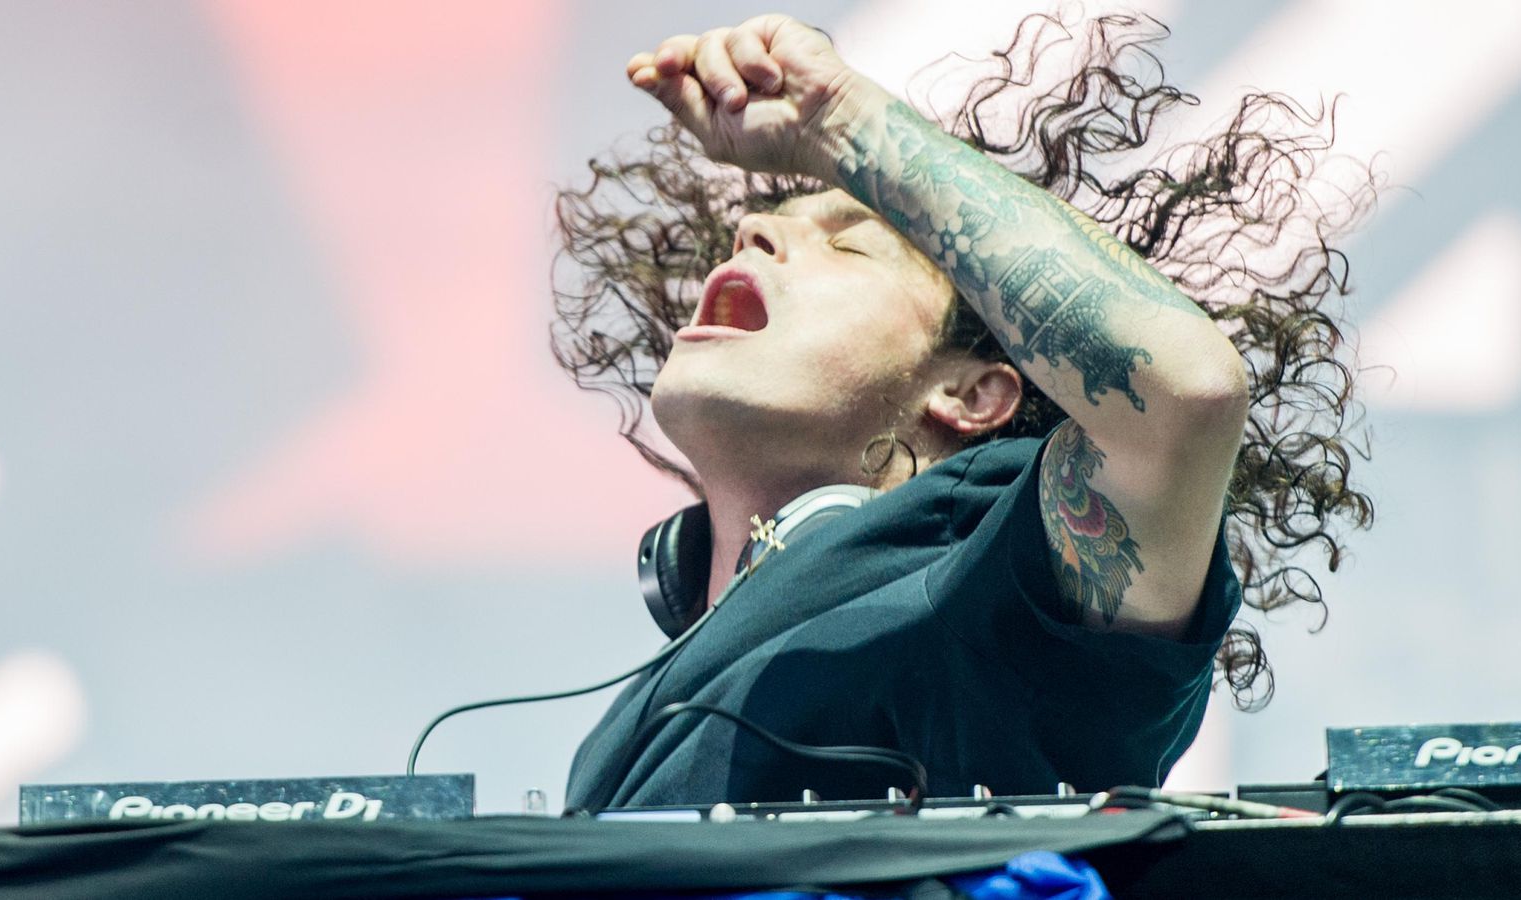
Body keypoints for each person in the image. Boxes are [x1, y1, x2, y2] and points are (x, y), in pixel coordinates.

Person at [552, 12, 1373, 810]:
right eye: (760, 228)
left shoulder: (992, 593)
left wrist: (839, 122)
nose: (751, 231)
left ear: (973, 394)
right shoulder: (613, 743)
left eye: (846, 243)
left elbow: (1182, 390)